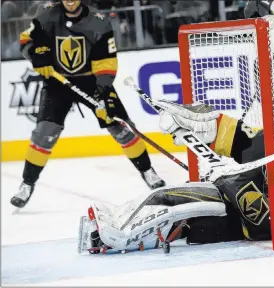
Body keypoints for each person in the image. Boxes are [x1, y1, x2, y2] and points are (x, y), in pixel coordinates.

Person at [78, 101, 274, 254]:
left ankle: (127, 234)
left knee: (197, 218)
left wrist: (228, 178)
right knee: (263, 146)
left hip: (244, 209)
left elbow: (261, 225)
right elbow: (255, 146)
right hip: (251, 188)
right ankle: (122, 221)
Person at [11, 0, 165, 209]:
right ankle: (27, 184)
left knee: (121, 127)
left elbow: (107, 62)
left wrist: (102, 94)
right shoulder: (47, 14)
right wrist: (36, 57)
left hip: (92, 81)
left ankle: (147, 170)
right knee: (44, 133)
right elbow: (26, 40)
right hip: (57, 83)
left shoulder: (98, 22)